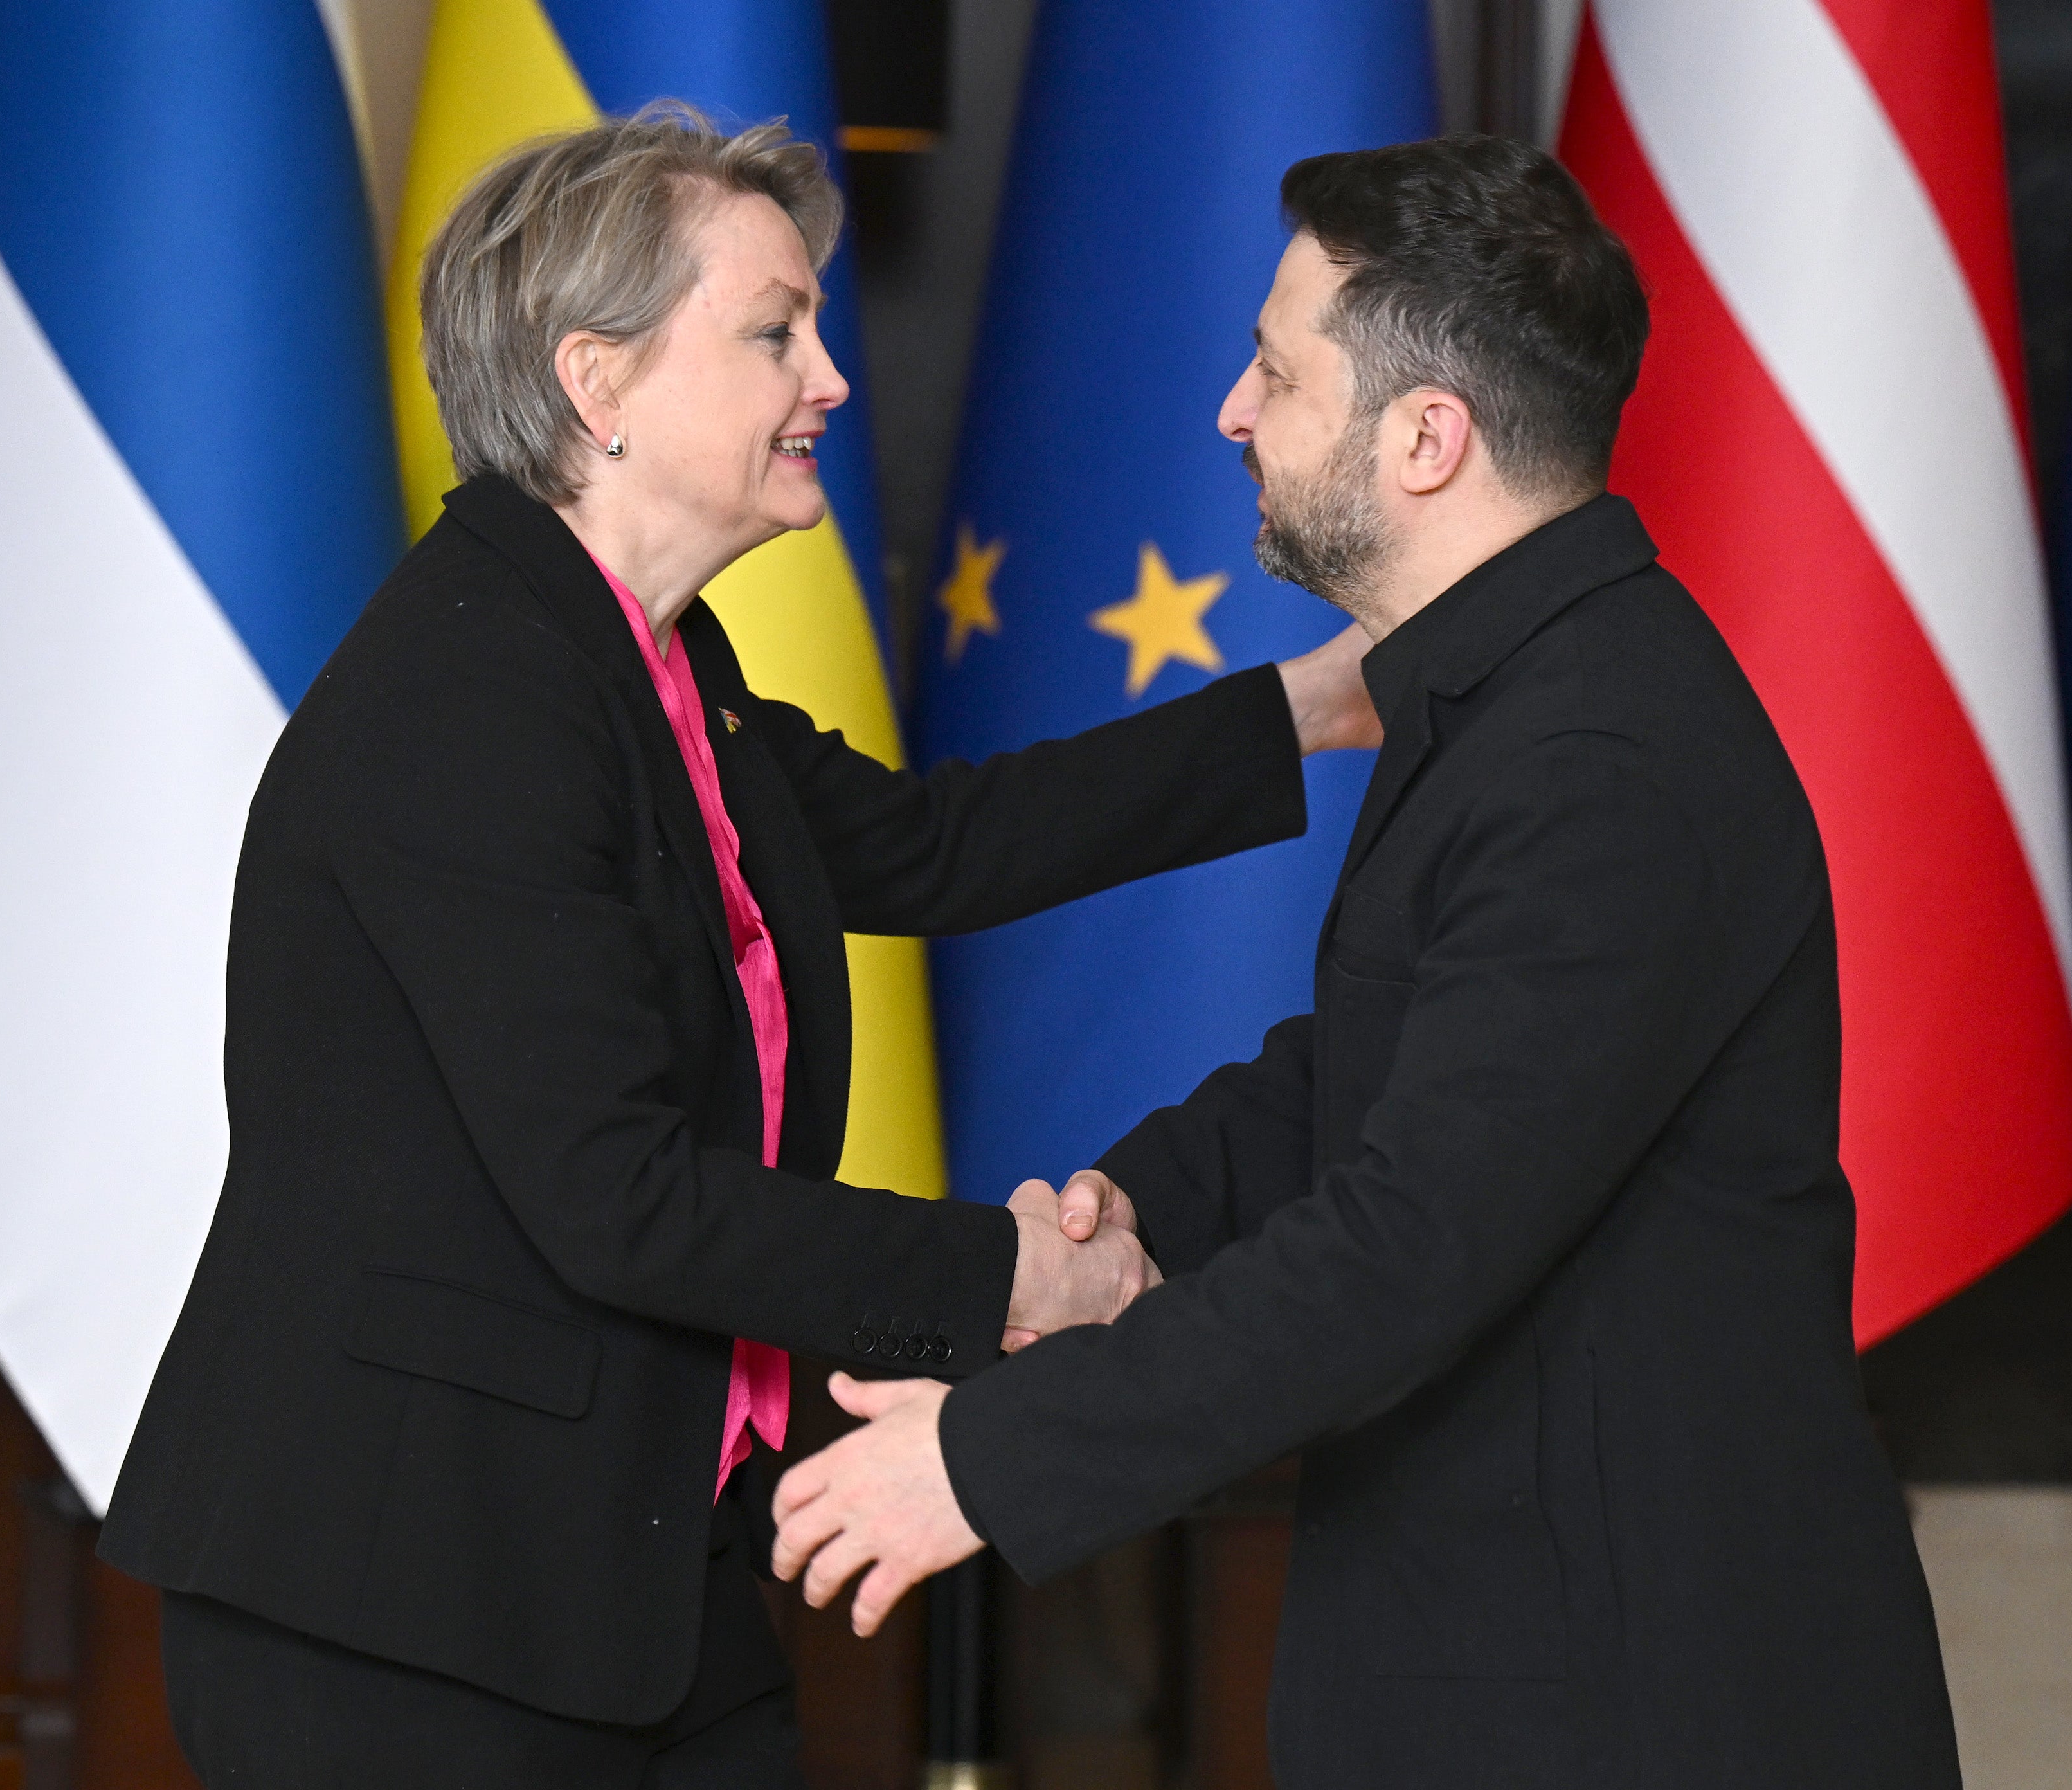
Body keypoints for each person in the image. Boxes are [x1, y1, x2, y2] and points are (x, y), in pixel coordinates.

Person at [96, 106, 1376, 1788]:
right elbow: (617, 1197)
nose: (830, 377)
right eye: (776, 331)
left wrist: (1318, 702)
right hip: (404, 1606)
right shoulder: (473, 697)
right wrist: (1012, 1280)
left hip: (623, 1572)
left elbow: (932, 844)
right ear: (596, 382)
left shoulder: (644, 660)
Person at [774, 134, 1961, 1789]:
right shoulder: (1526, 684)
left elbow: (1411, 1243)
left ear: (1424, 438)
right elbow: (1371, 1060)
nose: (1231, 412)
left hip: (1630, 1704)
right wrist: (1133, 1217)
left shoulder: (1595, 754)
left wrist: (991, 1458)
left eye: (1275, 371)